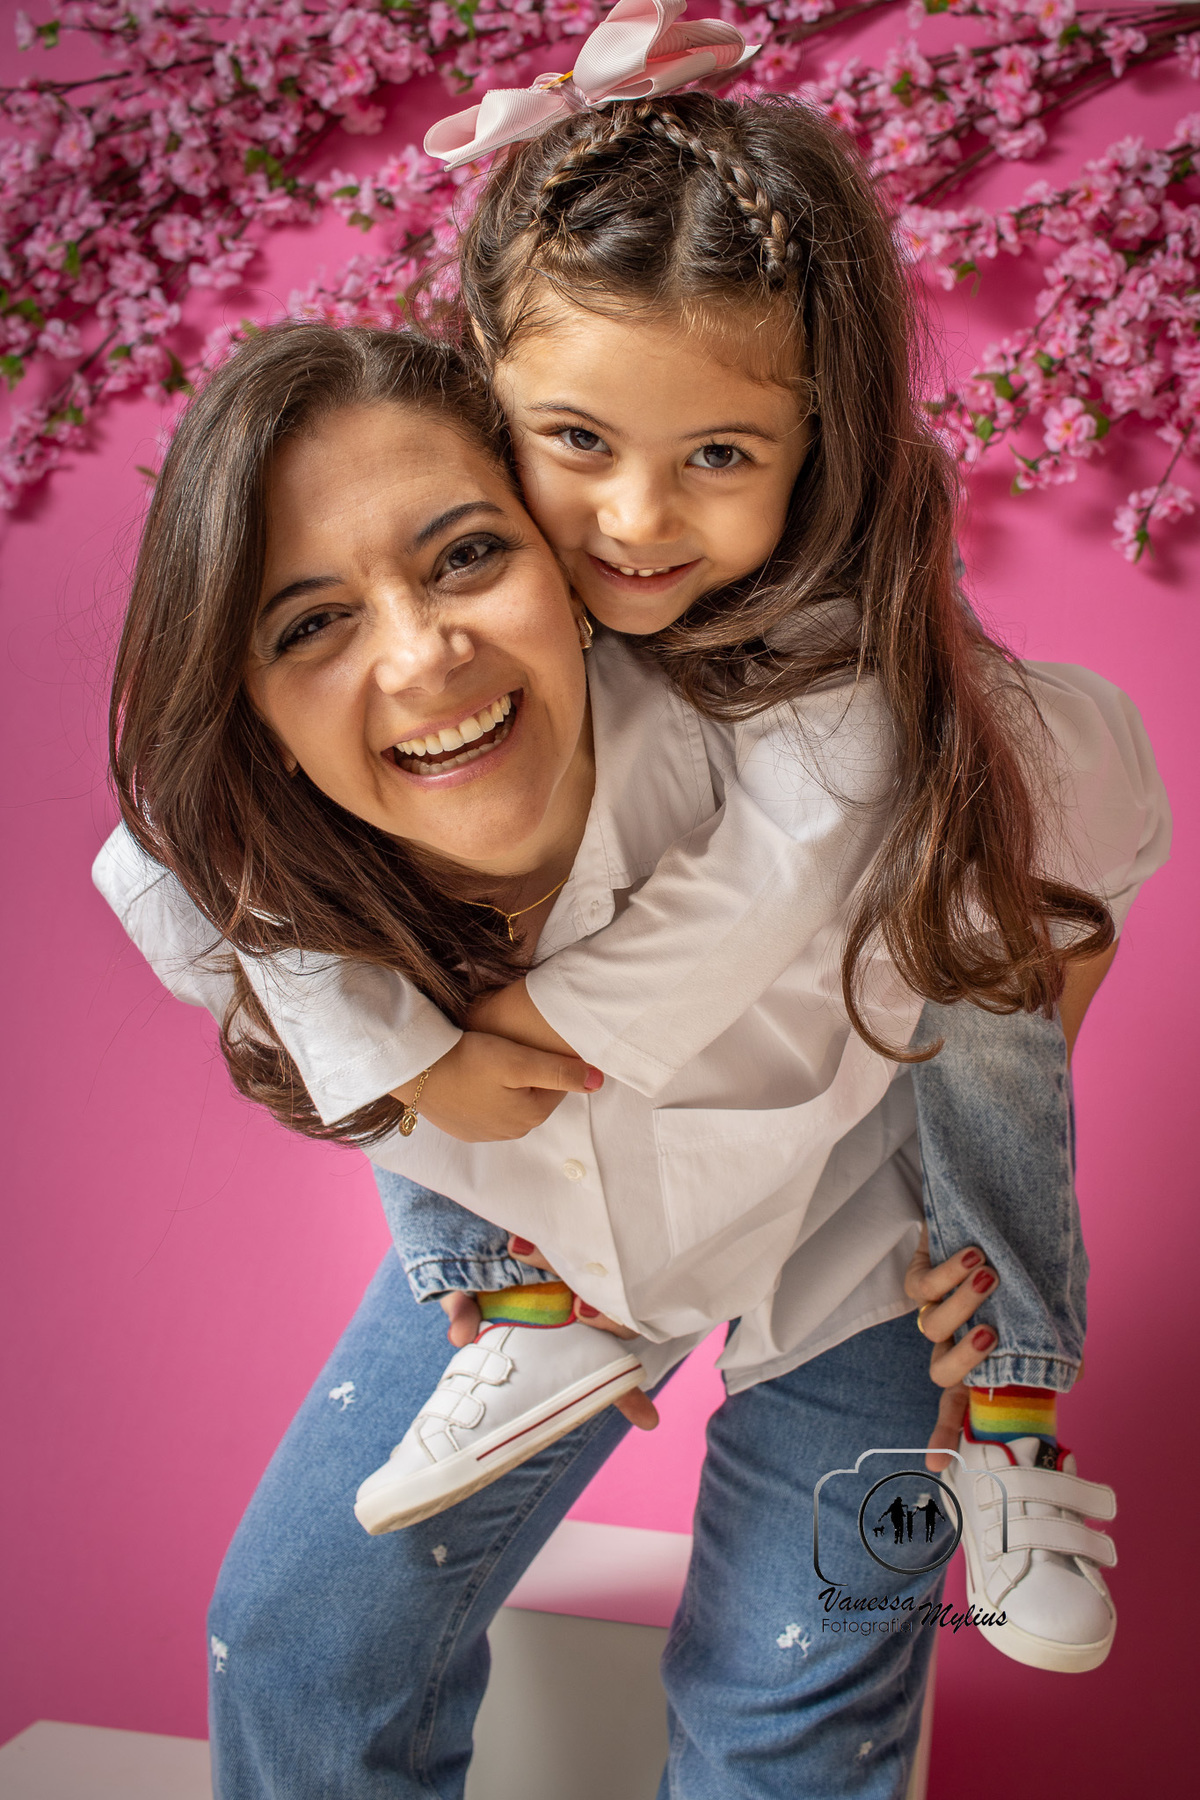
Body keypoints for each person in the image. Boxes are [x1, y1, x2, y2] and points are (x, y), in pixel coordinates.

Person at [97, 67, 1167, 1684]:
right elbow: (202, 844)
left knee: (787, 1676)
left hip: (855, 1146)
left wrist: (524, 1037)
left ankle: (1012, 1419)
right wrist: (413, 1060)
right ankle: (519, 1301)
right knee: (304, 1627)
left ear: (822, 440)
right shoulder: (433, 655)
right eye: (574, 443)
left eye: (721, 453)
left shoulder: (857, 692)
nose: (634, 518)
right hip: (582, 1199)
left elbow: (964, 921)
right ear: (487, 409)